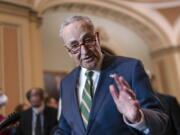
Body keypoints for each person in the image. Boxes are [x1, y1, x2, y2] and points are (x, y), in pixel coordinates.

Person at [53, 16, 169, 135]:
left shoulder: (130, 68)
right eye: (74, 46)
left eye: (88, 40)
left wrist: (138, 118)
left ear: (97, 38)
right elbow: (65, 128)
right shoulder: (66, 83)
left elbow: (161, 121)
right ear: (68, 50)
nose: (84, 51)